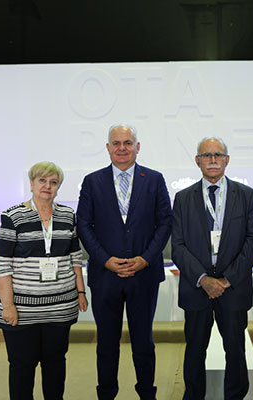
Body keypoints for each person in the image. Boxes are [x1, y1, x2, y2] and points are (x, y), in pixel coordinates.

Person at [76, 124, 172, 400]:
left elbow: (165, 223)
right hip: (105, 276)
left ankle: (147, 394)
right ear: (107, 148)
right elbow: (84, 225)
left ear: (137, 147)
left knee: (144, 343)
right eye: (116, 143)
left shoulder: (154, 179)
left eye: (127, 143)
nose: (122, 148)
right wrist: (105, 260)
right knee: (107, 344)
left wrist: (145, 259)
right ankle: (106, 394)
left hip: (144, 275)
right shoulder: (92, 181)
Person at [172, 137, 253, 400]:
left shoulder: (247, 196)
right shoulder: (182, 198)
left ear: (227, 159)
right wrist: (203, 279)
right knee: (194, 351)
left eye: (218, 155)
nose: (212, 160)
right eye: (206, 155)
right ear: (197, 161)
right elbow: (177, 246)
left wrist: (225, 281)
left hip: (232, 289)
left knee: (235, 351)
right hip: (196, 288)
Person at [0, 161, 88, 400]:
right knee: (22, 367)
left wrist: (81, 292)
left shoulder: (67, 215)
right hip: (22, 310)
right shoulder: (13, 216)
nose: (47, 186)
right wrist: (8, 305)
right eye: (42, 180)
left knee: (55, 365)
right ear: (32, 183)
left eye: (53, 182)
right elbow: (2, 264)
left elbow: (75, 257)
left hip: (60, 308)